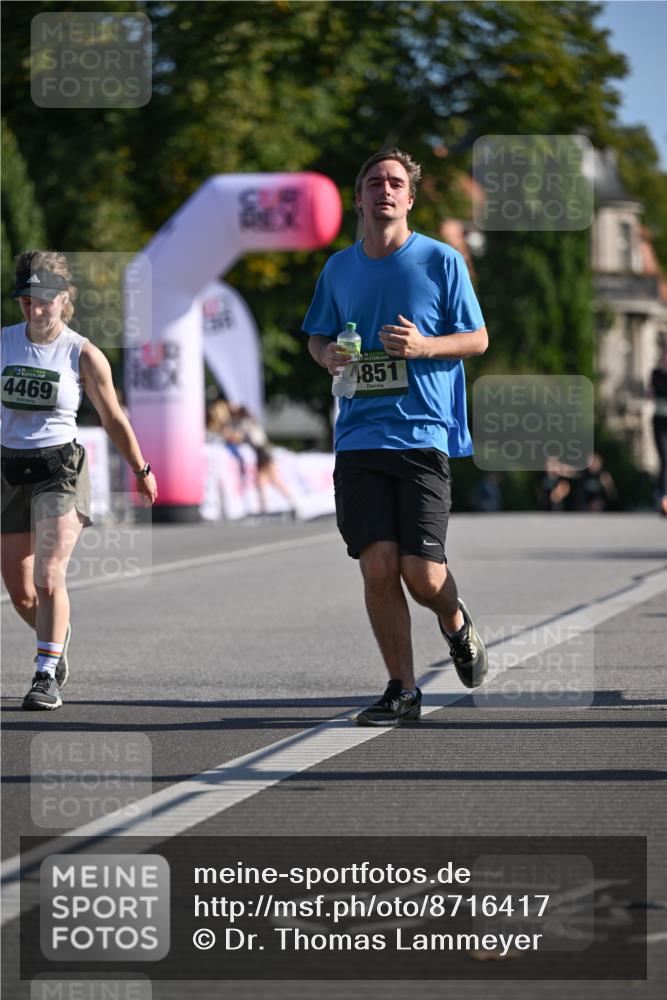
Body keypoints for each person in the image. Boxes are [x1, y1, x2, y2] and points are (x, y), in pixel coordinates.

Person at [303, 148, 489, 726]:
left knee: (421, 574)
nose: (384, 190)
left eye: (395, 182)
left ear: (409, 197)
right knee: (378, 568)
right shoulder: (338, 268)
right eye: (373, 182)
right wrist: (328, 354)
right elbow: (316, 339)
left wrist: (425, 346)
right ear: (358, 198)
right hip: (359, 436)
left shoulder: (441, 261)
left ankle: (455, 621)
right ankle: (402, 689)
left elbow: (478, 338)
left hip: (422, 434)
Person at [1, 250, 158, 711]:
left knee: (50, 577)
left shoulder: (83, 353)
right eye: (27, 300)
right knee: (22, 592)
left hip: (60, 470)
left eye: (44, 300)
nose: (35, 309)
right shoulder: (5, 343)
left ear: (64, 300)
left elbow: (114, 419)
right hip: (9, 471)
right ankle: (57, 633)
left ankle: (45, 673)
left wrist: (141, 469)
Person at [648, 342, 667, 517]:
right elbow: (656, 390)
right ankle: (663, 498)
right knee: (664, 459)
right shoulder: (656, 374)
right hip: (660, 421)